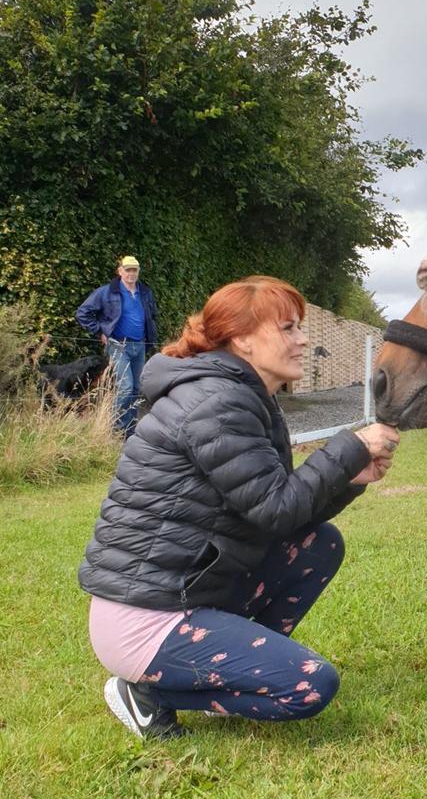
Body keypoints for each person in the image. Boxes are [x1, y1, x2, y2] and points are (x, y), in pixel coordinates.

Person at [78, 274, 399, 740]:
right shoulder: (215, 403)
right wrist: (348, 446)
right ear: (243, 340)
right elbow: (275, 509)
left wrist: (347, 478)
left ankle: (225, 670)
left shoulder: (242, 397)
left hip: (186, 591)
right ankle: (145, 693)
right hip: (145, 617)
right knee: (310, 685)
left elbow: (279, 514)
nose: (303, 339)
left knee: (316, 544)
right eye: (288, 328)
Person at [75, 255, 159, 436]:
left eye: (134, 270)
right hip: (118, 345)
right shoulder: (107, 292)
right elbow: (83, 313)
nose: (131, 273)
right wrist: (100, 331)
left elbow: (151, 316)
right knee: (126, 386)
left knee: (136, 388)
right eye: (127, 269)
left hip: (140, 346)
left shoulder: (145, 292)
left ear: (138, 272)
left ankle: (128, 430)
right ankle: (111, 427)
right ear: (120, 271)